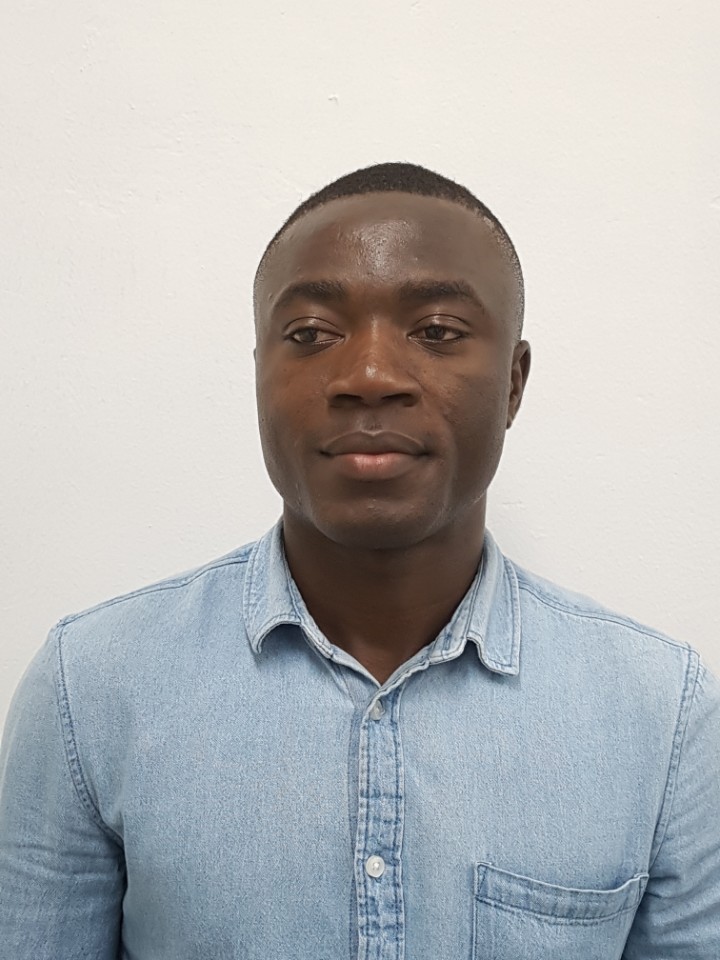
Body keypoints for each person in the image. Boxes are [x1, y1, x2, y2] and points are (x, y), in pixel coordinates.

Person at [0, 162, 718, 959]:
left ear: (513, 383)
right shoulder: (92, 687)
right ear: (259, 374)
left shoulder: (662, 713)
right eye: (311, 334)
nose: (370, 376)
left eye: (436, 330)